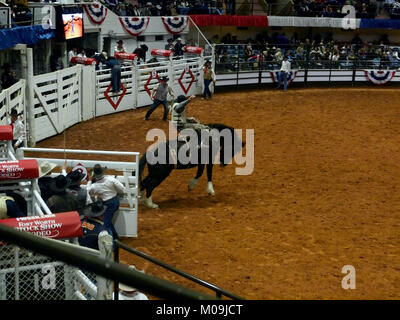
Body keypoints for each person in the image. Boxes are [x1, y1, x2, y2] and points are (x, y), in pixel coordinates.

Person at [86, 164, 126, 239]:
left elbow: (88, 191)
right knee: (107, 221)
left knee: (105, 224)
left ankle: (111, 241)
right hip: (115, 201)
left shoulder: (95, 186)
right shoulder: (111, 179)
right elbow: (122, 189)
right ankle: (115, 237)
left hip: (107, 204)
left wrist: (90, 181)